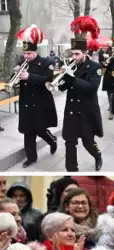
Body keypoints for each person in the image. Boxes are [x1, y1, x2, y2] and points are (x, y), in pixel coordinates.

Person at [59, 16, 104, 172]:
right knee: (69, 142)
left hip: (86, 112)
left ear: (85, 53)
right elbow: (63, 88)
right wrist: (61, 78)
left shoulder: (95, 67)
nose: (73, 57)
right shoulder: (71, 66)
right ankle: (72, 170)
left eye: (77, 54)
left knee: (88, 142)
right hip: (71, 111)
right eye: (72, 54)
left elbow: (92, 88)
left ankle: (98, 156)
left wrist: (72, 79)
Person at [15, 24, 58, 168]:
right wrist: (14, 80)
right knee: (28, 131)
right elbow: (16, 78)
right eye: (24, 53)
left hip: (40, 103)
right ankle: (31, 157)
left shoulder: (46, 63)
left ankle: (52, 141)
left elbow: (48, 79)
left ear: (35, 51)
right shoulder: (22, 62)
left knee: (41, 129)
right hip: (26, 102)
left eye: (29, 54)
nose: (26, 57)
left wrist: (30, 77)